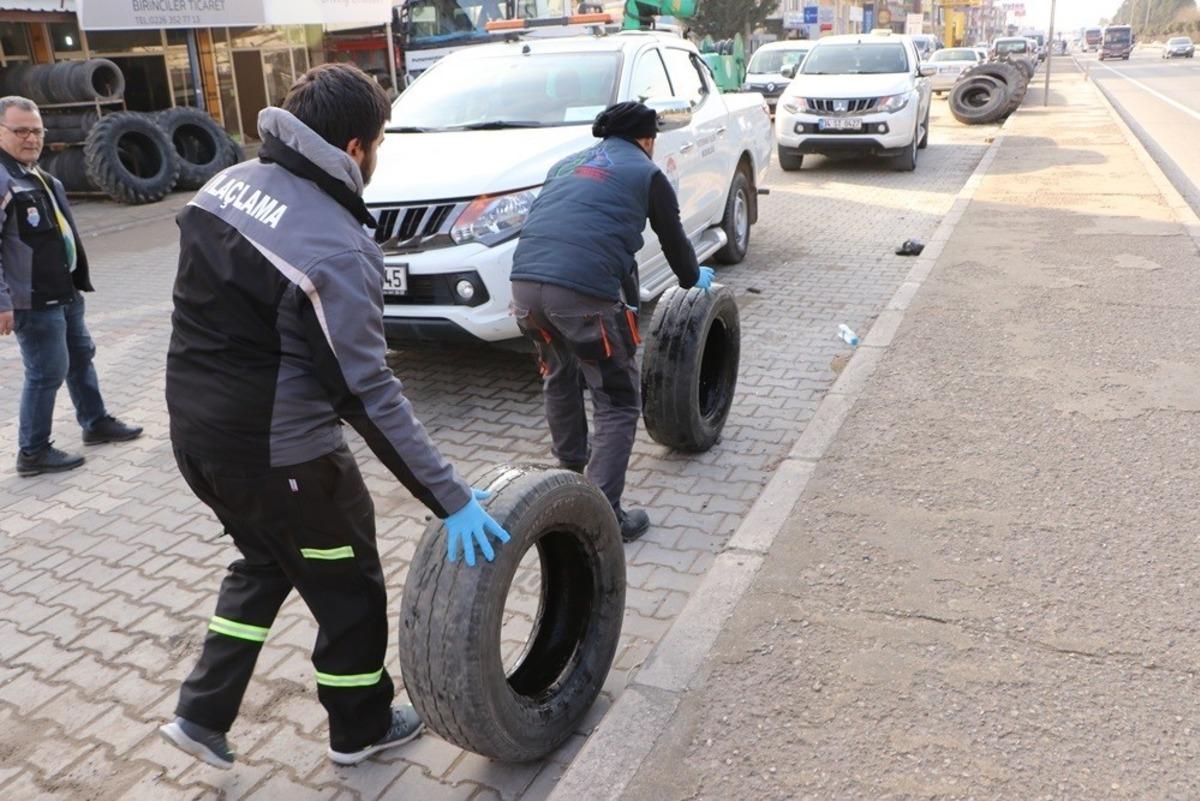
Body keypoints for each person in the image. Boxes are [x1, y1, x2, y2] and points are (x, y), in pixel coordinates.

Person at [158, 63, 510, 771]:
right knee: (349, 589)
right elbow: (366, 391)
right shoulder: (336, 245)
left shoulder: (224, 186)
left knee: (265, 560)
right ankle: (361, 727)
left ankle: (200, 713)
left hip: (197, 441)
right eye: (378, 142)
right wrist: (451, 497)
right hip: (286, 460)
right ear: (356, 148)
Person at [509, 101, 714, 543]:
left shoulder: (566, 165)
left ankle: (567, 481)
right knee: (617, 398)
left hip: (525, 290)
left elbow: (577, 229)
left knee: (560, 376)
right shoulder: (646, 173)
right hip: (580, 295)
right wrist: (693, 277)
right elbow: (673, 238)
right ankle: (601, 515)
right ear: (646, 139)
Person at [0, 96, 141, 476]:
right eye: (21, 131)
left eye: (37, 130)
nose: (31, 138)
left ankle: (95, 423)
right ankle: (32, 452)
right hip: (33, 299)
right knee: (47, 372)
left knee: (80, 357)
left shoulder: (35, 173)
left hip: (64, 291)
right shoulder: (2, 179)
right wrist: (2, 302)